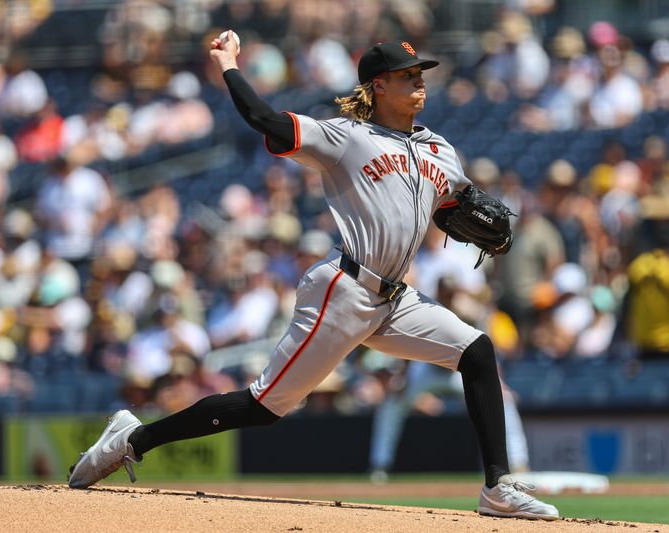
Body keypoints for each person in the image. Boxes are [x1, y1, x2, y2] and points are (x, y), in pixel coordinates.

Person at [67, 33, 558, 521]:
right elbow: (265, 119)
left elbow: (458, 209)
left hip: (394, 299)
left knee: (476, 351)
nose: (419, 83)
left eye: (420, 74)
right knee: (265, 406)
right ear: (378, 85)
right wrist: (230, 64)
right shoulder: (346, 138)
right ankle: (134, 439)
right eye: (407, 76)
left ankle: (498, 488)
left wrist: (476, 223)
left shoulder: (440, 150)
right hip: (344, 292)